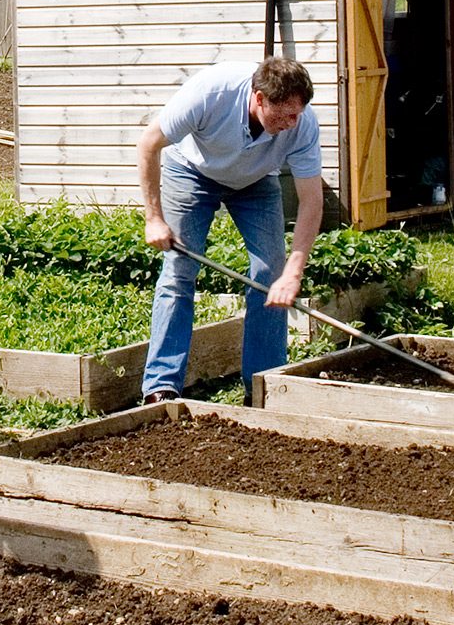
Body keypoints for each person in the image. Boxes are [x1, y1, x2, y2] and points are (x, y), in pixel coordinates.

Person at [137, 56, 324, 401]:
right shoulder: (211, 92)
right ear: (258, 98)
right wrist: (154, 218)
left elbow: (312, 200)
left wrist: (293, 273)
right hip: (191, 171)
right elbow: (149, 143)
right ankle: (160, 386)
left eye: (297, 114)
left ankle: (263, 386)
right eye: (283, 114)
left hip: (255, 180)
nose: (291, 122)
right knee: (180, 271)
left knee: (270, 273)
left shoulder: (302, 124)